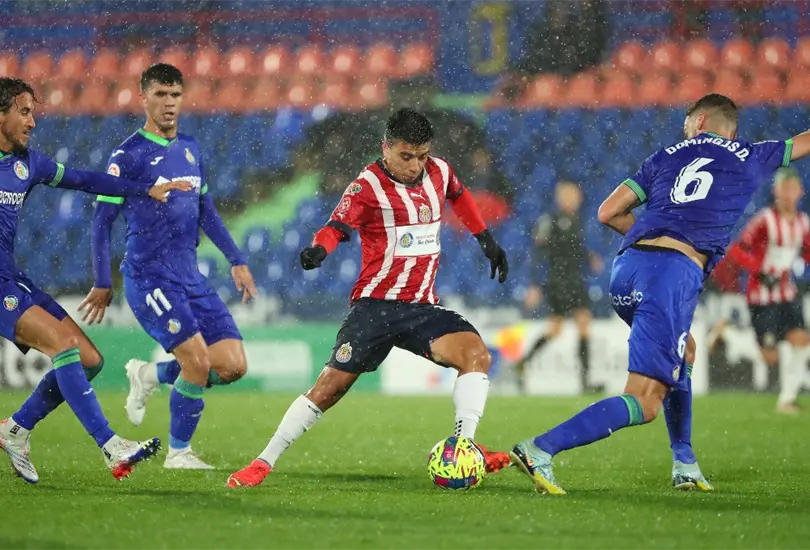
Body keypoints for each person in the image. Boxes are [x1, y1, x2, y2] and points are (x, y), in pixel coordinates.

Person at [510, 93, 810, 494]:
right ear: (731, 130)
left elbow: (607, 212)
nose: (684, 130)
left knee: (684, 351)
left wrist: (651, 237)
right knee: (645, 401)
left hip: (627, 268)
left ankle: (685, 462)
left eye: (687, 122)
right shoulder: (750, 154)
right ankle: (540, 448)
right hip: (671, 276)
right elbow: (802, 144)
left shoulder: (665, 155)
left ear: (700, 121)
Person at [226, 108, 510, 488]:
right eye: (406, 156)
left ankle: (464, 447)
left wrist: (484, 238)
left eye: (421, 155)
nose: (415, 165)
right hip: (376, 308)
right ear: (386, 148)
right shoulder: (367, 186)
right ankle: (263, 462)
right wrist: (319, 250)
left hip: (422, 307)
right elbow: (336, 226)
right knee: (329, 388)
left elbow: (459, 196)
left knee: (476, 354)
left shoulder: (439, 171)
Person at [0, 77, 191, 483]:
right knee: (64, 348)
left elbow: (87, 180)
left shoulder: (27, 164)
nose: (32, 122)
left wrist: (144, 189)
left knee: (89, 360)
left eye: (32, 111)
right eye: (24, 111)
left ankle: (14, 430)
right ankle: (110, 445)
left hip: (11, 278)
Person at [79, 64, 258, 470]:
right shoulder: (127, 156)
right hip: (149, 276)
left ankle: (151, 375)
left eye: (175, 95)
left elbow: (206, 210)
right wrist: (104, 281)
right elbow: (101, 222)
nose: (169, 103)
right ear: (143, 97)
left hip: (190, 275)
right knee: (197, 363)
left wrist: (237, 260)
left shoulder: (191, 148)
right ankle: (179, 453)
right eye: (160, 94)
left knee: (232, 366)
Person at [727, 167, 810, 414]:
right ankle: (727, 333)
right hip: (761, 296)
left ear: (800, 192)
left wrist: (801, 265)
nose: (787, 195)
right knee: (770, 357)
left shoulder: (804, 223)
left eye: (791, 189)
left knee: (801, 341)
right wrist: (760, 271)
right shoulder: (765, 220)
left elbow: (807, 253)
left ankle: (786, 400)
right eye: (782, 189)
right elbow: (737, 250)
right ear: (775, 192)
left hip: (787, 293)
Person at [517, 179, 602, 392]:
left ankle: (583, 381)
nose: (571, 198)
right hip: (558, 282)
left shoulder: (577, 220)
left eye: (573, 194)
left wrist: (589, 257)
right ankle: (523, 364)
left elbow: (575, 249)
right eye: (566, 194)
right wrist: (535, 284)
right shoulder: (549, 220)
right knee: (558, 329)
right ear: (559, 197)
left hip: (575, 280)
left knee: (579, 325)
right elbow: (537, 254)